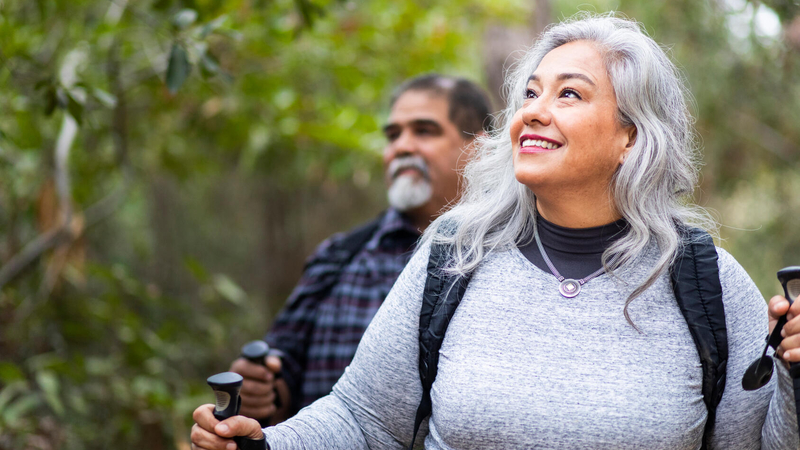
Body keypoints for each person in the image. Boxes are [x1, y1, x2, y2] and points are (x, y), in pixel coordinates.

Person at [192, 13, 800, 449]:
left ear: (631, 137)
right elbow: (365, 420)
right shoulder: (458, 252)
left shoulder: (705, 278)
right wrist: (261, 446)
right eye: (530, 93)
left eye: (569, 94)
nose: (533, 110)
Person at [228, 74, 493, 424]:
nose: (402, 147)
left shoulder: (513, 256)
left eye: (424, 131)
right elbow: (284, 370)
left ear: (479, 147)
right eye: (393, 135)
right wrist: (261, 390)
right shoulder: (339, 256)